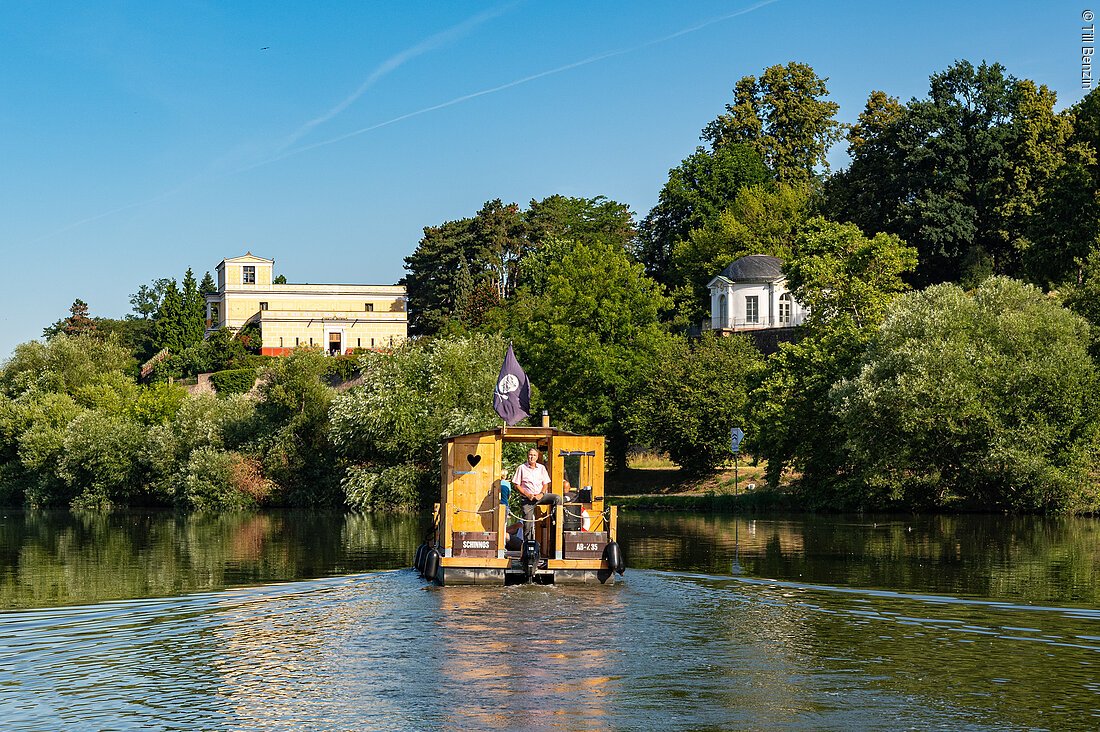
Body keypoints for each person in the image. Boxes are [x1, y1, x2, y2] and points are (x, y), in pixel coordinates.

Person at [512, 447, 562, 538]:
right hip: (527, 498)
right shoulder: (521, 468)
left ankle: (556, 521)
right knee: (527, 525)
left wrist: (541, 494)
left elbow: (545, 483)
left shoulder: (541, 468)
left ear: (537, 457)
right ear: (527, 456)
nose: (532, 457)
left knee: (557, 498)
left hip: (540, 496)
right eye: (530, 455)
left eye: (534, 455)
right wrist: (527, 494)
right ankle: (528, 546)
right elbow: (516, 485)